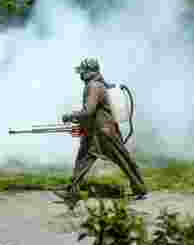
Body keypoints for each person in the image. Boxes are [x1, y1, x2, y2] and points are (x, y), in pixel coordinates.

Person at [59, 58, 148, 204]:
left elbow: (89, 111)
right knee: (83, 161)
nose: (80, 75)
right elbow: (91, 113)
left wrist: (71, 116)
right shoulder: (98, 84)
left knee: (124, 160)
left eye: (82, 72)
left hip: (104, 132)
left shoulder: (93, 86)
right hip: (96, 131)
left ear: (89, 72)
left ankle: (140, 188)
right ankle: (72, 191)